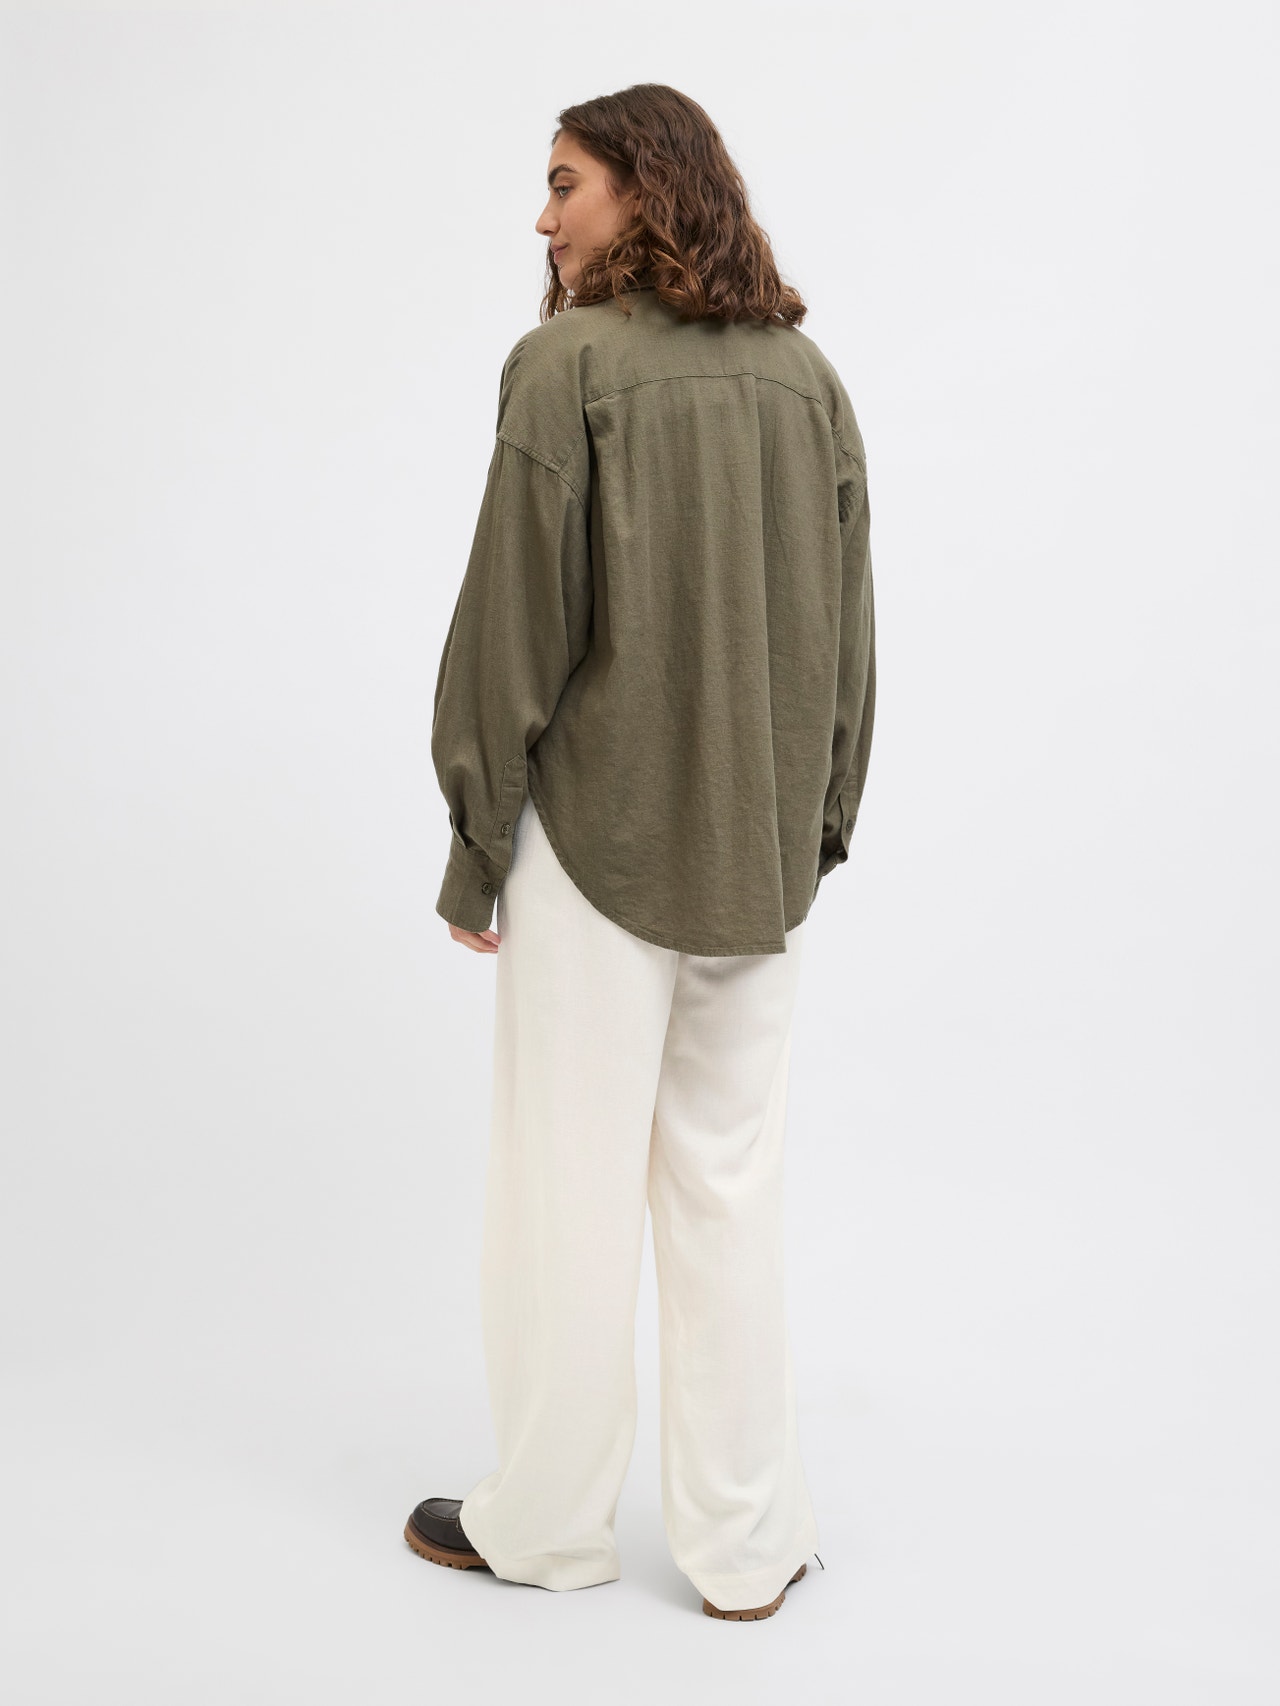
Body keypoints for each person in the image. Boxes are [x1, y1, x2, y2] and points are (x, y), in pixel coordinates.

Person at [404, 83, 876, 1621]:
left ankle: (544, 1521)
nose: (541, 217)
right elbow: (851, 637)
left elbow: (511, 628)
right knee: (729, 1191)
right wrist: (817, 822)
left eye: (565, 183)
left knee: (567, 1187)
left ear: (644, 190)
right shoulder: (808, 380)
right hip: (755, 857)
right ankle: (748, 1545)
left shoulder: (566, 368)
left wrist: (477, 843)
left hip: (597, 845)